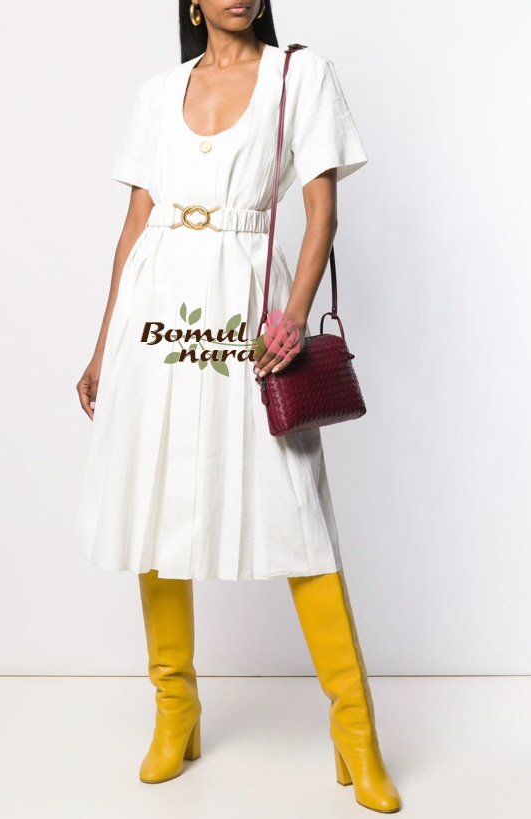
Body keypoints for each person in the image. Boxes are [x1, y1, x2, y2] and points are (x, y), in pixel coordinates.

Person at [75, 0, 402, 813]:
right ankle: (174, 708)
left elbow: (321, 208)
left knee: (297, 509)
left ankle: (355, 730)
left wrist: (291, 314)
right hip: (157, 308)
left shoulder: (300, 74)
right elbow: (135, 222)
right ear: (190, 1)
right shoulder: (159, 93)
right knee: (156, 497)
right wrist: (104, 344)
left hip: (248, 307)